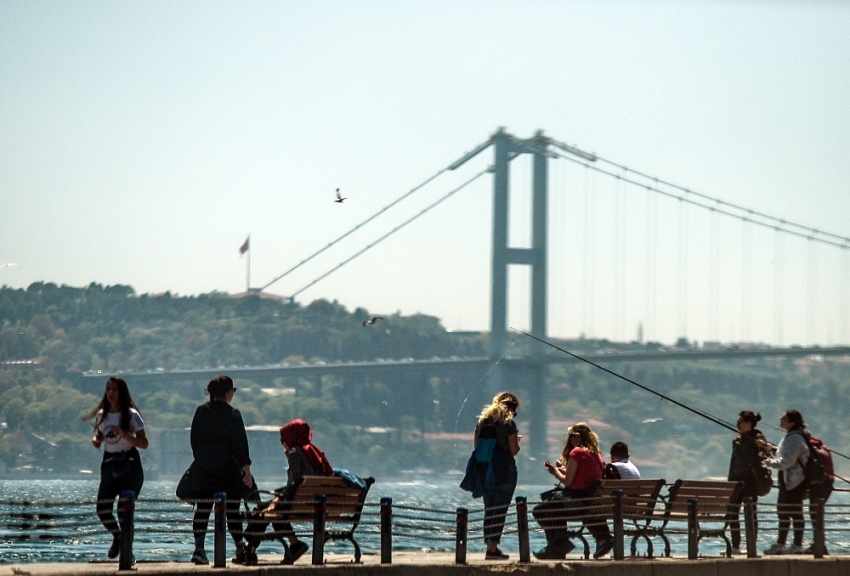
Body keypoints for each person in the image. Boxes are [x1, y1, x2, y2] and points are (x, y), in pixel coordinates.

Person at [244, 419, 333, 565]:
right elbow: (301, 483)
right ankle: (292, 545)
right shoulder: (314, 452)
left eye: (282, 439)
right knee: (269, 509)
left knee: (264, 511)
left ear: (292, 437)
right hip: (315, 504)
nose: (282, 443)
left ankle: (251, 550)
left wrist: (277, 499)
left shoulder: (295, 453)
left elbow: (295, 484)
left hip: (298, 503)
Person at [187, 375, 254, 565]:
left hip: (205, 469)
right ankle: (240, 549)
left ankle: (199, 550)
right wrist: (246, 469)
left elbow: (194, 442)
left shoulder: (201, 412)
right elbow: (241, 445)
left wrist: (203, 459)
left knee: (203, 509)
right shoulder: (233, 414)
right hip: (228, 471)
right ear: (228, 392)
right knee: (232, 509)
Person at [82, 377, 149, 560]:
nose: (111, 393)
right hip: (110, 462)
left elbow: (144, 443)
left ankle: (127, 553)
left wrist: (126, 435)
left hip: (130, 464)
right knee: (102, 509)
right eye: (108, 389)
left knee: (124, 510)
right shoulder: (102, 415)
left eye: (115, 390)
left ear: (122, 393)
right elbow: (99, 436)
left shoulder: (132, 415)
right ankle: (119, 536)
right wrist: (96, 441)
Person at [532, 422, 614, 560]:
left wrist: (555, 472)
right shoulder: (596, 455)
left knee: (540, 510)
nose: (571, 440)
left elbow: (568, 482)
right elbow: (581, 476)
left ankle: (558, 544)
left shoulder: (576, 452)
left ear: (579, 437)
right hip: (589, 501)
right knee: (554, 506)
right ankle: (557, 545)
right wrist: (562, 470)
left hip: (577, 502)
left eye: (573, 436)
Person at [473, 392, 520, 560]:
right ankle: (492, 548)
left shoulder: (482, 422)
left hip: (485, 470)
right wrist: (516, 441)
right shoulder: (509, 424)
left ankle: (490, 546)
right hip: (504, 470)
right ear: (511, 408)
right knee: (501, 509)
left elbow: (477, 446)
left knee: (490, 508)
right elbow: (514, 450)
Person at [757, 409, 809, 555]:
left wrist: (770, 463)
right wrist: (770, 448)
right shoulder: (792, 436)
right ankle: (783, 544)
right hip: (790, 480)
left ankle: (795, 545)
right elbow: (785, 454)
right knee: (784, 511)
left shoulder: (794, 438)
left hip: (795, 481)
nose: (781, 419)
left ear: (792, 422)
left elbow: (787, 461)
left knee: (793, 512)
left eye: (784, 418)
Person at [726, 410, 769, 554]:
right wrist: (730, 481)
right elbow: (733, 462)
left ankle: (751, 544)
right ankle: (735, 546)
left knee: (750, 513)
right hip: (736, 481)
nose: (737, 424)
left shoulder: (758, 437)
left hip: (751, 481)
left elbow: (765, 456)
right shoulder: (738, 439)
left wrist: (760, 446)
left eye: (740, 422)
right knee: (733, 512)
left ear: (749, 423)